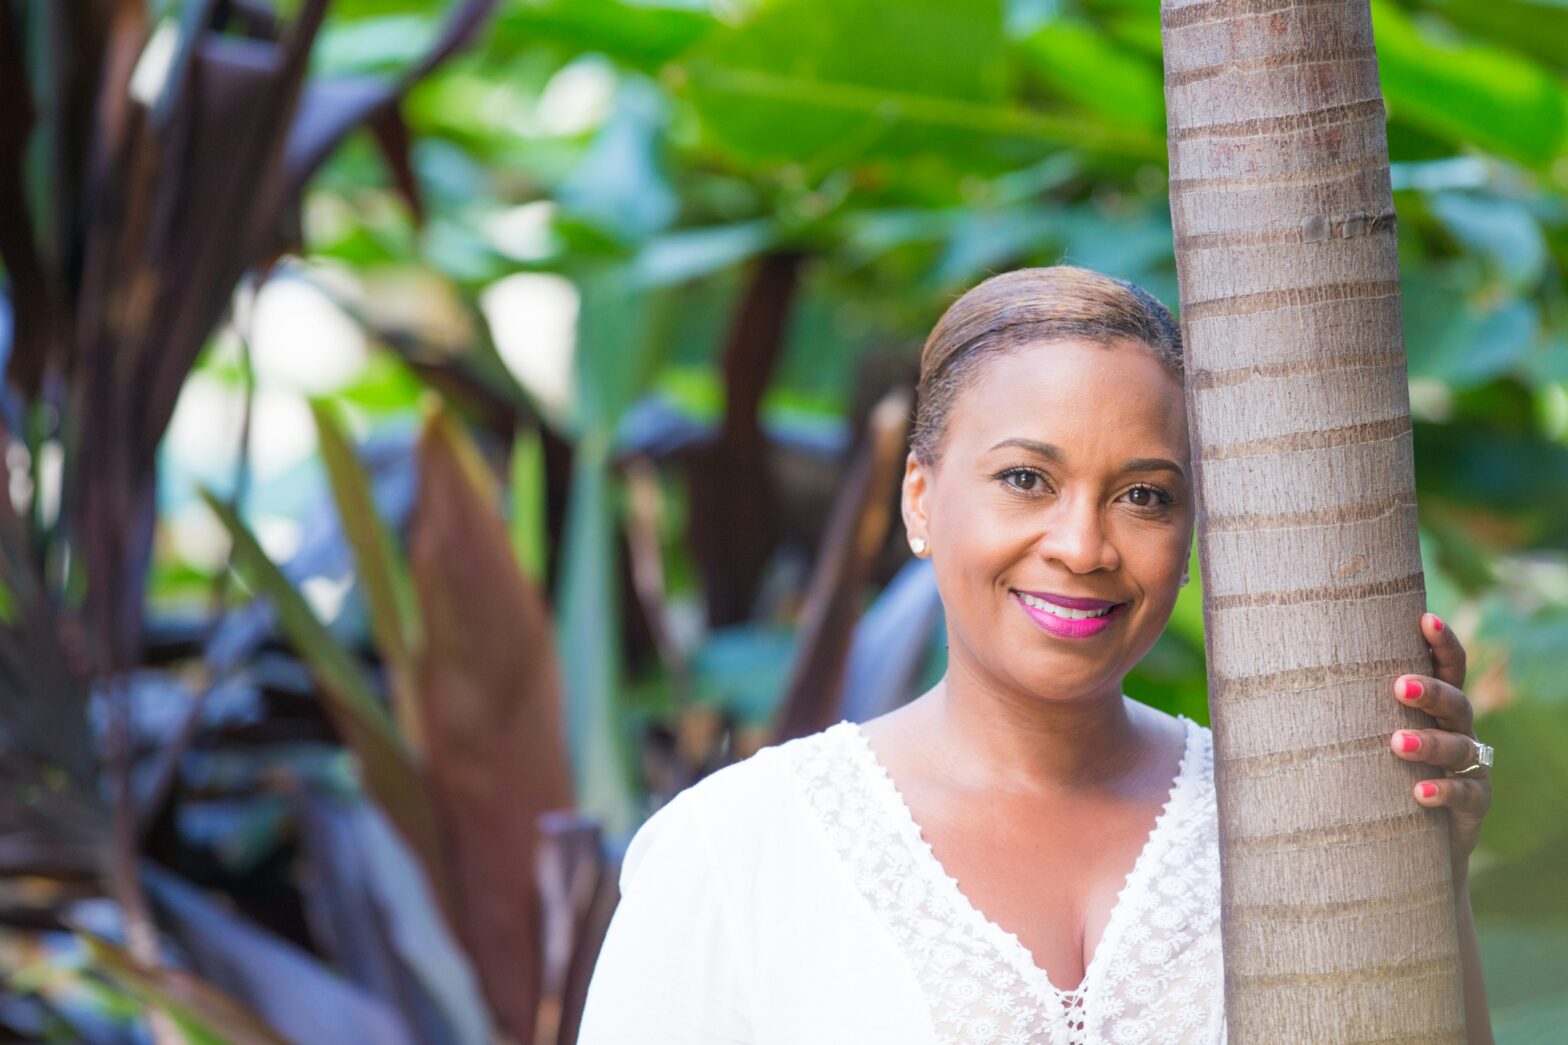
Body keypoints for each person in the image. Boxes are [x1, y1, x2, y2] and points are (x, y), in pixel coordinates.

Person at [576, 266, 1494, 1044]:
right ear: (920, 499)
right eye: (1027, 479)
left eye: (1144, 495)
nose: (1084, 545)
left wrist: (1428, 877)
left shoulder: (1295, 824)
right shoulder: (738, 850)